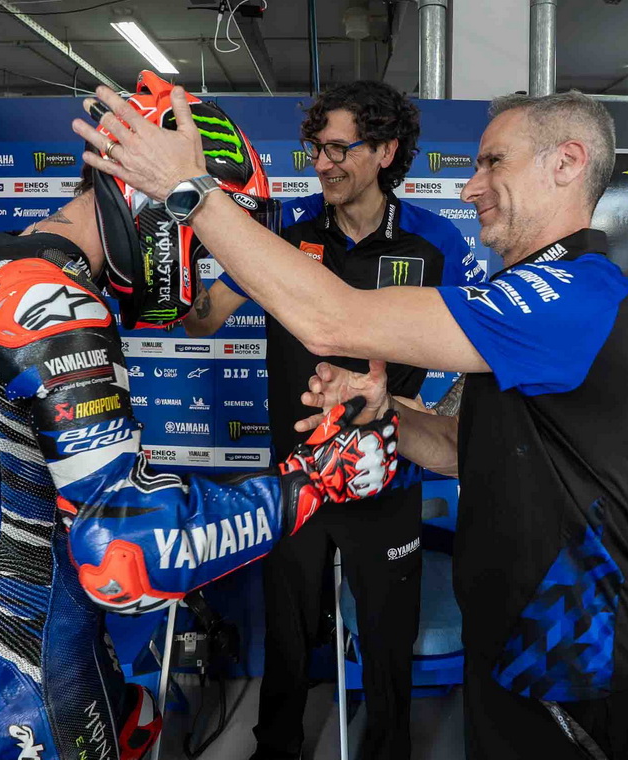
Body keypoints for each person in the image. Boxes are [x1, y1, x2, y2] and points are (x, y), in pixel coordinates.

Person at [75, 86, 628, 759]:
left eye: (493, 162)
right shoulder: (529, 298)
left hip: (570, 650)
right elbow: (459, 446)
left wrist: (190, 189)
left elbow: (332, 320)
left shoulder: (575, 294)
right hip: (507, 629)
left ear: (567, 163)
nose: (471, 187)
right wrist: (383, 416)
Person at [0, 73, 400, 760]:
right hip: (39, 667)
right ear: (153, 202)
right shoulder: (47, 299)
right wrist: (315, 481)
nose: (202, 260)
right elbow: (126, 557)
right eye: (203, 234)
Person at [181, 80, 482, 760]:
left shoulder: (435, 242)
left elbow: (481, 354)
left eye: (340, 149)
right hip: (295, 477)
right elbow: (202, 321)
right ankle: (276, 747)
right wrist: (175, 260)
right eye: (316, 148)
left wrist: (435, 415)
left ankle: (388, 750)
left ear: (385, 152)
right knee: (287, 632)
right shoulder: (281, 232)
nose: (322, 163)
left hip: (389, 478)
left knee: (387, 638)